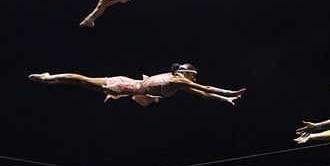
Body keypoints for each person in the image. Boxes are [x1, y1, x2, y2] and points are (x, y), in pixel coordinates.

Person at [29, 63, 245, 106]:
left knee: (82, 80)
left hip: (129, 83)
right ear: (186, 74)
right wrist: (230, 92)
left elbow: (204, 95)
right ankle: (50, 78)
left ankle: (51, 77)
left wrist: (224, 98)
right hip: (126, 87)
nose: (193, 80)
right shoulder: (178, 80)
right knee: (82, 80)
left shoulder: (181, 84)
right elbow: (206, 89)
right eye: (192, 76)